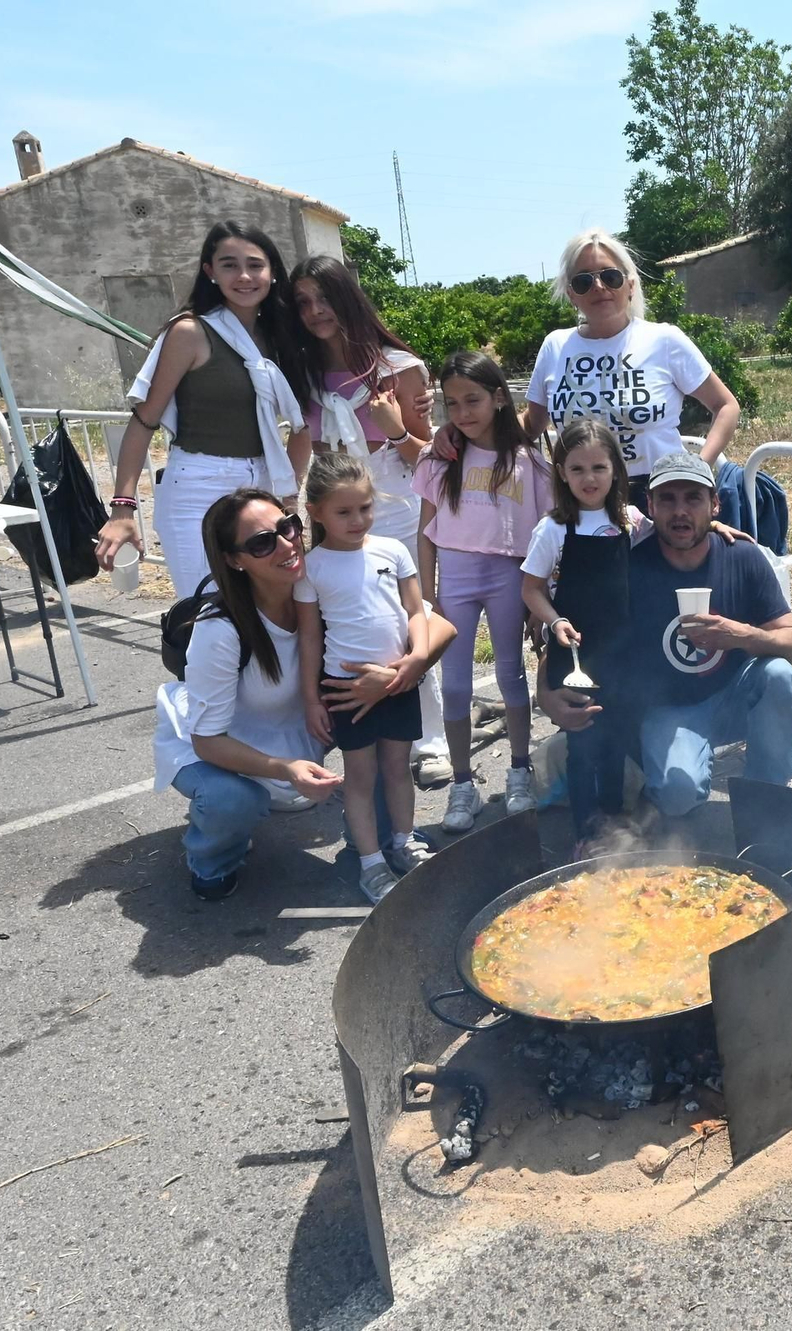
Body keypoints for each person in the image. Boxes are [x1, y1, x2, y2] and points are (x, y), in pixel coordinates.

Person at [541, 451, 792, 818]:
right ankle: (660, 782)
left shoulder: (741, 557)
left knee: (779, 675)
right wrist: (546, 693)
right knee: (678, 796)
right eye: (667, 499)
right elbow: (574, 632)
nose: (680, 511)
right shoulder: (629, 565)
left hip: (735, 696)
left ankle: (766, 804)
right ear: (650, 505)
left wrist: (740, 634)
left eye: (693, 498)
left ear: (715, 505)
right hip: (669, 710)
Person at [288, 254, 453, 790]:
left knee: (412, 617)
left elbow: (433, 457)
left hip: (398, 506)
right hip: (334, 504)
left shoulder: (400, 369)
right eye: (304, 302)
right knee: (351, 620)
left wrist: (397, 428)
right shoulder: (300, 373)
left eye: (325, 298)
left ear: (349, 299)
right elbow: (302, 448)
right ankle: (366, 733)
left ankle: (428, 740)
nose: (316, 312)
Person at [98, 221, 312, 599]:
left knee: (271, 605)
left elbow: (302, 424)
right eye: (229, 265)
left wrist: (289, 496)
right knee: (208, 608)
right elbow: (145, 420)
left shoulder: (279, 337)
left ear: (273, 273)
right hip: (199, 485)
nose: (244, 276)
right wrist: (122, 510)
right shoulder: (190, 332)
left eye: (255, 265)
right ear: (210, 272)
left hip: (263, 485)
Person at [151, 490, 339, 899]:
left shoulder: (322, 589)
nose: (287, 544)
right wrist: (287, 768)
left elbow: (423, 619)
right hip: (214, 748)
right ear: (235, 560)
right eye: (261, 542)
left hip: (293, 733)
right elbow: (207, 741)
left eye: (288, 526)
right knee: (230, 800)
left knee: (379, 708)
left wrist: (411, 663)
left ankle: (381, 844)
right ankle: (211, 858)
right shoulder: (220, 629)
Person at [413, 350, 551, 831]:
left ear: (498, 398)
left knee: (512, 675)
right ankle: (462, 784)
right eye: (451, 404)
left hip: (509, 577)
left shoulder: (529, 462)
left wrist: (542, 597)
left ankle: (518, 771)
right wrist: (425, 598)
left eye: (472, 400)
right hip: (455, 577)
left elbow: (545, 536)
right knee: (454, 684)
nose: (462, 412)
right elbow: (425, 531)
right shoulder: (440, 458)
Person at [294, 453, 436, 901]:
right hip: (344, 689)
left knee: (398, 768)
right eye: (344, 511)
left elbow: (417, 610)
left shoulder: (392, 550)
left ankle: (404, 842)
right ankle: (371, 863)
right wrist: (311, 700)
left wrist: (415, 658)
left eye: (365, 508)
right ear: (315, 512)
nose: (358, 519)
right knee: (359, 775)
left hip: (399, 683)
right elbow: (311, 640)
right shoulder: (311, 568)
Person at [522, 229, 742, 509]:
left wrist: (695, 470)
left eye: (610, 276)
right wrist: (463, 432)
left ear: (631, 285)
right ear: (571, 295)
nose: (599, 287)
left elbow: (725, 405)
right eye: (583, 281)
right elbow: (531, 423)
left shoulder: (663, 340)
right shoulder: (555, 346)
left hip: (660, 497)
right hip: (581, 501)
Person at [521, 418, 650, 848]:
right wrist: (555, 621)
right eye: (577, 469)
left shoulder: (631, 521)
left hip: (622, 654)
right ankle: (584, 833)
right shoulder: (553, 529)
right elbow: (532, 588)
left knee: (614, 741)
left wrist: (715, 527)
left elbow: (671, 542)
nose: (588, 478)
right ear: (561, 472)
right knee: (583, 745)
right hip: (573, 655)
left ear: (615, 468)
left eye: (598, 467)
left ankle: (614, 826)